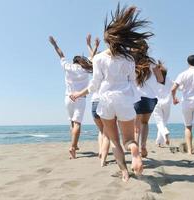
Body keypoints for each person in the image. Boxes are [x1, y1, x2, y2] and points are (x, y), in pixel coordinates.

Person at [70, 5, 149, 181]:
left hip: (105, 100)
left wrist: (80, 93)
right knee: (129, 139)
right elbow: (132, 81)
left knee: (114, 141)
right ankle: (134, 151)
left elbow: (95, 83)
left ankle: (124, 172)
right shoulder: (129, 59)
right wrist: (134, 99)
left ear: (107, 41)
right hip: (125, 100)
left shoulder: (98, 58)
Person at [48, 36, 92, 159]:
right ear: (81, 61)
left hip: (68, 98)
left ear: (74, 62)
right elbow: (93, 57)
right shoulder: (86, 69)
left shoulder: (68, 66)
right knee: (77, 123)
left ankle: (75, 144)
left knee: (72, 122)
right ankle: (72, 147)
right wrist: (90, 44)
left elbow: (61, 55)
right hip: (81, 97)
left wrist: (54, 45)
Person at [132, 39, 164, 158]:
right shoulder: (152, 62)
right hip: (150, 98)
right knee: (145, 123)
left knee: (136, 127)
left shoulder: (131, 62)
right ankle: (143, 146)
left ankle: (135, 151)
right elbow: (161, 79)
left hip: (136, 97)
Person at [86, 34, 110, 167]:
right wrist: (93, 46)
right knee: (107, 132)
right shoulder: (108, 70)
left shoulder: (94, 68)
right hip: (105, 102)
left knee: (101, 131)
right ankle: (103, 158)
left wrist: (91, 46)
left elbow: (93, 58)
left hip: (94, 103)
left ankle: (100, 152)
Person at [153, 62, 173, 146]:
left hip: (156, 103)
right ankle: (159, 142)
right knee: (163, 122)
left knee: (159, 122)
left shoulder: (154, 80)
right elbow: (178, 86)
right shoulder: (169, 80)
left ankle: (165, 133)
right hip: (167, 103)